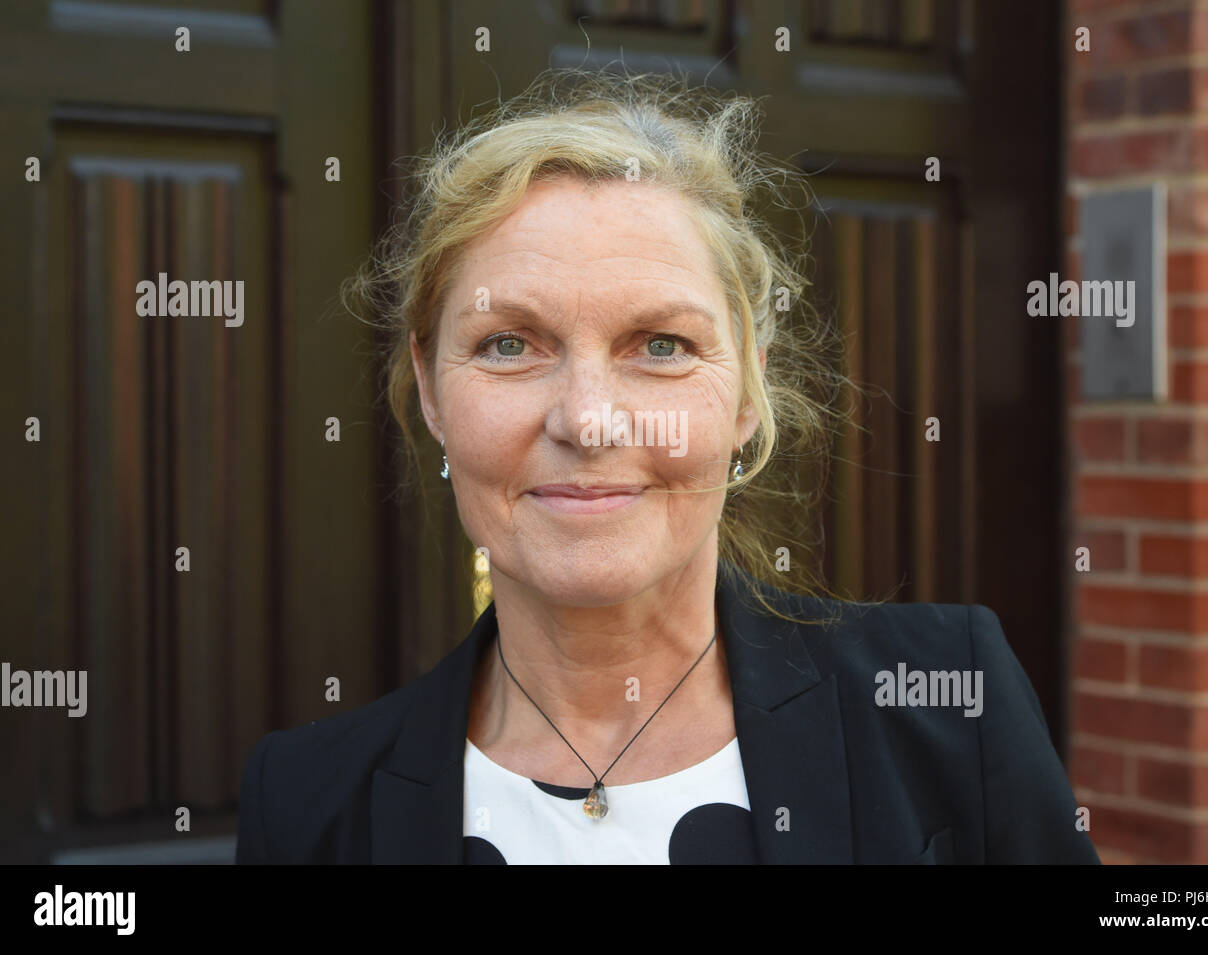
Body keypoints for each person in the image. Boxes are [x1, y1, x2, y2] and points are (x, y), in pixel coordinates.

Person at [236, 69, 1099, 865]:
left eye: (661, 345)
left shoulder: (948, 703)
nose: (588, 420)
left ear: (747, 390)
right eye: (508, 344)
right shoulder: (307, 805)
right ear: (430, 390)